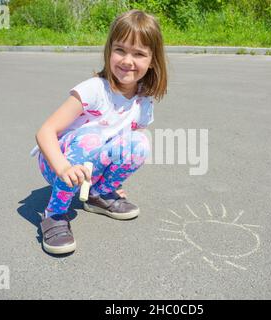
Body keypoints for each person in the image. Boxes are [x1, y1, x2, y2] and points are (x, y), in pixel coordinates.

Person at [31, 9, 168, 255]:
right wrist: (63, 168)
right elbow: (45, 132)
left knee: (140, 143)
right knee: (90, 138)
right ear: (109, 51)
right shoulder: (94, 89)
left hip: (89, 166)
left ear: (152, 60)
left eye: (139, 54)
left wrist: (111, 180)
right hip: (57, 162)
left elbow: (124, 142)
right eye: (120, 50)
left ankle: (99, 195)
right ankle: (55, 213)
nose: (128, 60)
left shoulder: (143, 101)